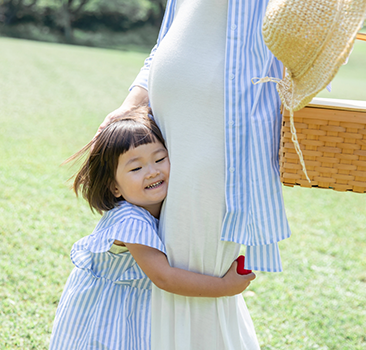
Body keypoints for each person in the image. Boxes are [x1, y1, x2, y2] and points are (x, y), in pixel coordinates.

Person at [100, 1, 292, 349]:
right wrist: (134, 101)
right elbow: (167, 38)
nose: (149, 172)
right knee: (179, 250)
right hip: (164, 121)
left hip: (222, 120)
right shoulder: (129, 218)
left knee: (198, 255)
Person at [49, 108, 256, 350]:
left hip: (135, 307)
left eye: (159, 159)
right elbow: (164, 276)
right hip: (108, 313)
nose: (152, 171)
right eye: (136, 169)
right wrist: (223, 287)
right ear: (115, 187)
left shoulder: (167, 207)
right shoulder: (130, 221)